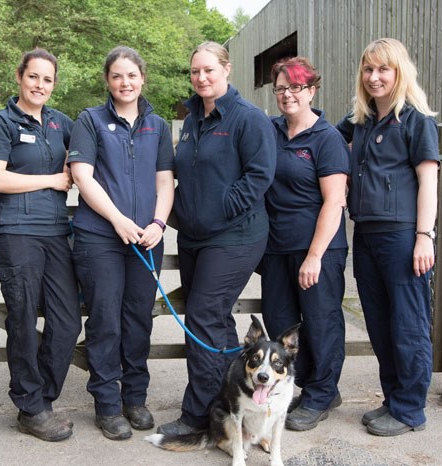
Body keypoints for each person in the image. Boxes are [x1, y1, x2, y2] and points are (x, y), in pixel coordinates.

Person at [157, 41, 276, 436]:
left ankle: (197, 417)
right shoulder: (192, 118)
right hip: (194, 239)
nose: (201, 78)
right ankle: (232, 406)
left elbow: (259, 176)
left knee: (204, 316)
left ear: (227, 69)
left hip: (234, 236)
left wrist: (218, 210)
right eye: (195, 72)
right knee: (214, 320)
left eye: (209, 70)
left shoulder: (248, 118)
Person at [68, 46, 175, 441]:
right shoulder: (90, 120)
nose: (125, 83)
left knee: (138, 319)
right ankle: (107, 405)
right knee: (104, 320)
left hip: (147, 240)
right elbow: (83, 175)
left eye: (131, 75)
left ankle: (135, 398)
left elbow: (165, 180)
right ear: (107, 81)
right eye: (117, 76)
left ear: (142, 78)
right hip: (100, 237)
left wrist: (159, 223)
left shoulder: (158, 125)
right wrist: (117, 220)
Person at [336, 38, 439, 436]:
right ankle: (393, 398)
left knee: (408, 325)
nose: (374, 77)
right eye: (368, 70)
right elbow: (322, 135)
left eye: (383, 69)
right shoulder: (359, 122)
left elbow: (428, 181)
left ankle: (411, 409)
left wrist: (424, 236)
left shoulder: (416, 121)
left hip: (402, 237)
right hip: (365, 236)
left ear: (399, 73)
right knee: (379, 324)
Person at [0, 49, 81, 442]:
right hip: (15, 232)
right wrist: (52, 180)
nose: (40, 85)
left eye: (48, 79)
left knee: (68, 319)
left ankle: (43, 397)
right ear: (20, 77)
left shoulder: (61, 123)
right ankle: (30, 406)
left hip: (56, 231)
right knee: (22, 318)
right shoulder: (1, 122)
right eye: (33, 77)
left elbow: (90, 152)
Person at [260, 57, 350, 432]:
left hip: (319, 248)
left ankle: (321, 393)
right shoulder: (270, 131)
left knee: (321, 321)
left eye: (296, 87)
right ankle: (308, 384)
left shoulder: (326, 138)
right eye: (281, 88)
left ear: (312, 90)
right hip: (276, 249)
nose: (287, 95)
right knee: (281, 324)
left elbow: (335, 200)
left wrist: (314, 256)